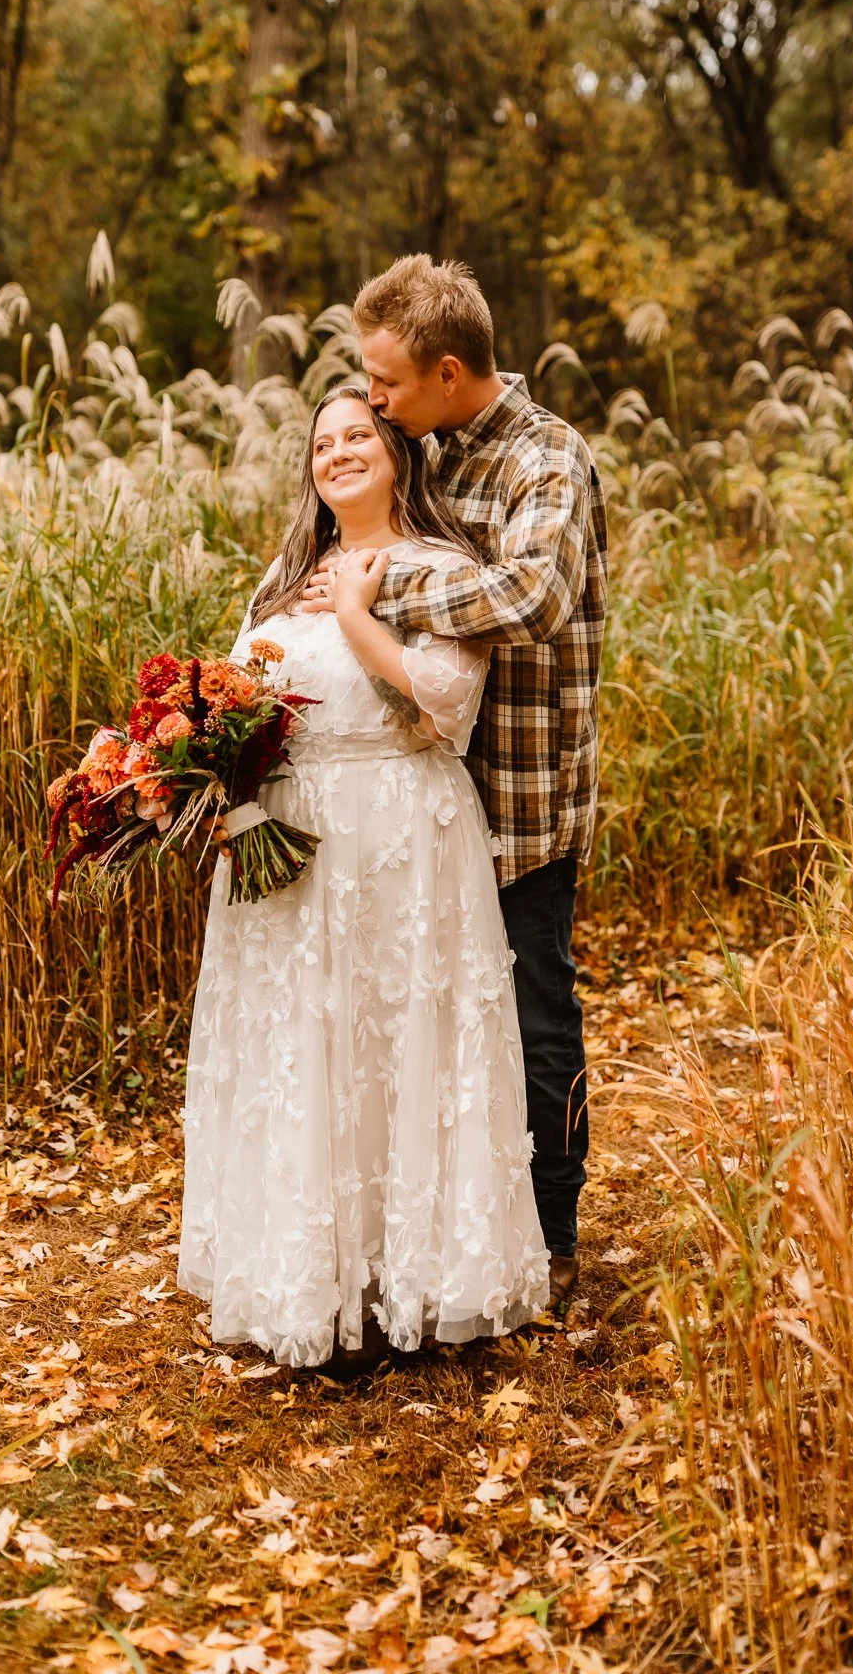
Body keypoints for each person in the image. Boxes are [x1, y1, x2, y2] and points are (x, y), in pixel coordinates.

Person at [177, 385, 549, 1372]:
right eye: (323, 442)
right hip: (290, 842)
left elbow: (445, 706)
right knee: (309, 1047)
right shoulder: (282, 575)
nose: (338, 451)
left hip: (400, 835)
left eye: (358, 436)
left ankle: (405, 1287)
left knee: (394, 1047)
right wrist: (201, 760)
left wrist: (354, 611)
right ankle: (311, 1278)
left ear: (395, 452)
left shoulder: (437, 567)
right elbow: (237, 693)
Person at [301, 255, 608, 1306]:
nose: (369, 399)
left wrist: (388, 588)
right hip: (413, 802)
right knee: (434, 1018)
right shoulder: (419, 447)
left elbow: (527, 598)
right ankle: (443, 1228)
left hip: (518, 792)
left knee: (530, 1010)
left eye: (381, 382)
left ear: (442, 370)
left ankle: (554, 1232)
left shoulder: (546, 458)